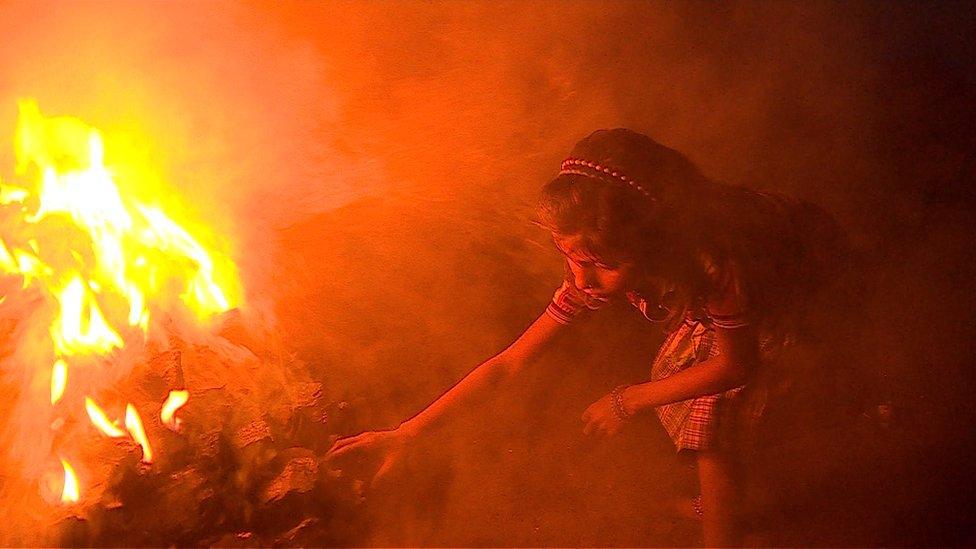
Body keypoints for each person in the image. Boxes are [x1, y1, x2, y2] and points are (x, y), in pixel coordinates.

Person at [326, 129, 846, 546]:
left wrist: (628, 400)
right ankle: (722, 504)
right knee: (688, 374)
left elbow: (737, 366)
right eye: (569, 256)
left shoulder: (713, 262)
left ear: (649, 242)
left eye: (598, 263)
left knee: (707, 398)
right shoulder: (607, 262)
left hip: (803, 287)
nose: (580, 278)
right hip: (718, 294)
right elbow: (509, 364)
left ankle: (722, 531)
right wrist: (411, 431)